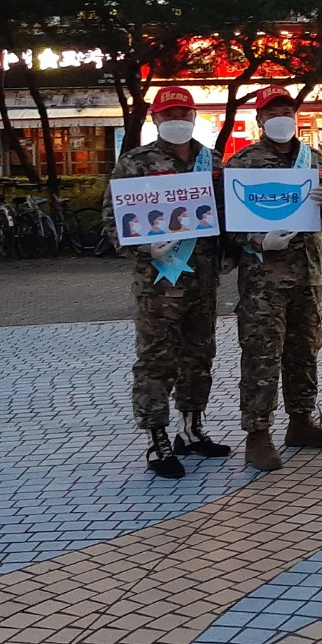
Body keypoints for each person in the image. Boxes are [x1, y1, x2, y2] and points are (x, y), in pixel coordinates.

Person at [102, 85, 230, 479]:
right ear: (156, 119)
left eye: (183, 114)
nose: (177, 121)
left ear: (194, 118)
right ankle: (156, 439)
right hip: (158, 284)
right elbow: (113, 218)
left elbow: (228, 213)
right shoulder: (135, 162)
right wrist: (142, 247)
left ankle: (191, 429)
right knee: (156, 360)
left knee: (199, 357)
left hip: (202, 279)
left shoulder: (212, 162)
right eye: (169, 115)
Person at [226, 85, 322, 472]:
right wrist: (258, 239)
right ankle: (257, 434)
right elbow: (226, 223)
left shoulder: (314, 159)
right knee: (262, 356)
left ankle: (301, 421)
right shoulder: (243, 163)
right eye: (272, 112)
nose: (281, 118)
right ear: (259, 119)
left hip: (307, 275)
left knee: (304, 351)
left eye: (287, 111)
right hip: (263, 282)